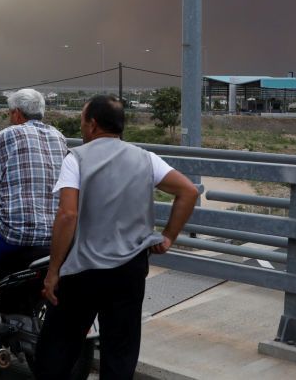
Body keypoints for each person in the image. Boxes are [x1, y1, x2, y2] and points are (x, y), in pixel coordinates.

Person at [36, 95, 199, 380]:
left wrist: (52, 272)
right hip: (129, 271)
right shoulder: (145, 158)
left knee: (58, 348)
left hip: (82, 272)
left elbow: (67, 215)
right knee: (120, 354)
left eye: (82, 121)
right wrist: (169, 236)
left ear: (93, 125)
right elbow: (189, 192)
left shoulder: (76, 159)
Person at [0, 88, 67, 275]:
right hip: (54, 236)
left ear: (16, 113)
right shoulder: (60, 138)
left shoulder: (6, 135)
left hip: (14, 235)